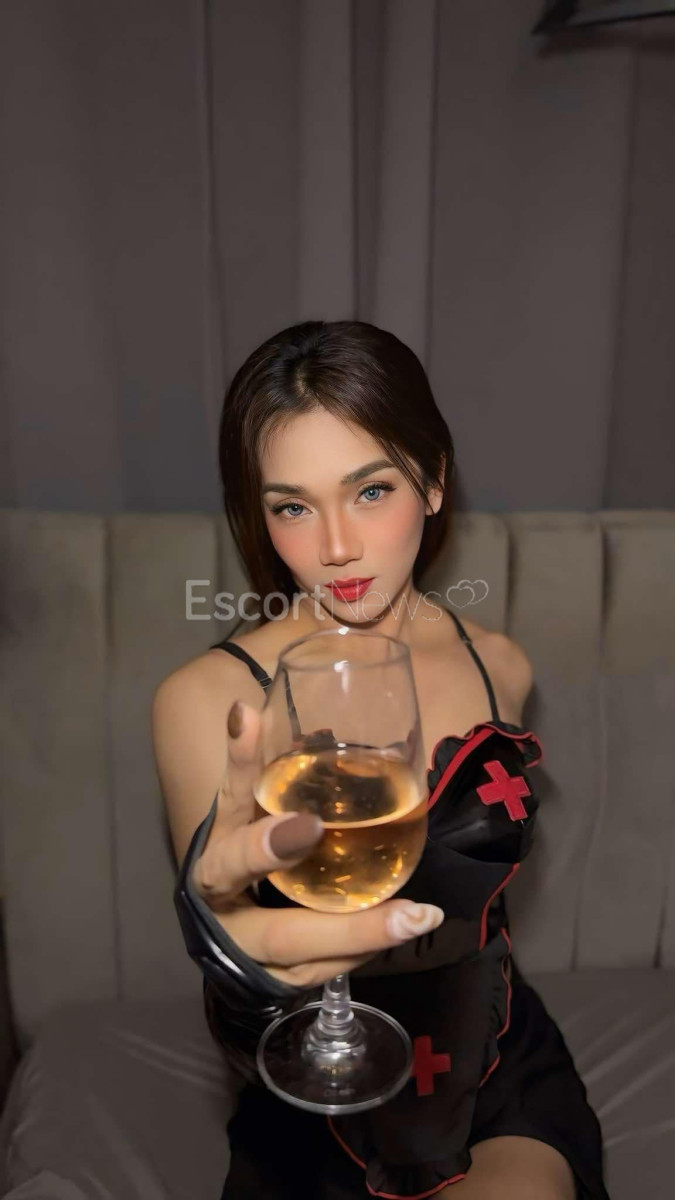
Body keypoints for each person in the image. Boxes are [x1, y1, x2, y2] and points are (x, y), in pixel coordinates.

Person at [152, 320, 610, 1199]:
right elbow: (239, 970)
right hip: (319, 1091)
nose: (335, 546)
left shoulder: (499, 665)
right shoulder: (211, 701)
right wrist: (227, 949)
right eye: (292, 506)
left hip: (498, 1064)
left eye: (369, 490)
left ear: (433, 481)